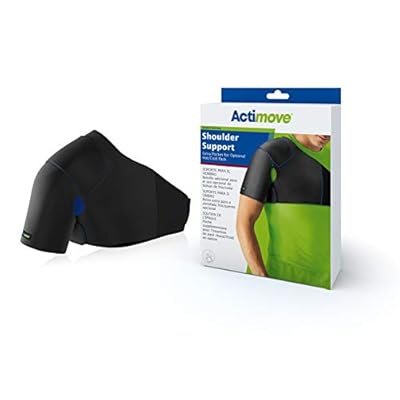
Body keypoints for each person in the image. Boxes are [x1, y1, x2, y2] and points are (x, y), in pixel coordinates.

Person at [236, 134, 331, 288]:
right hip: (282, 281)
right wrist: (262, 279)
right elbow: (244, 221)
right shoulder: (272, 153)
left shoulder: (334, 158)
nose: (326, 134)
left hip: (327, 284)